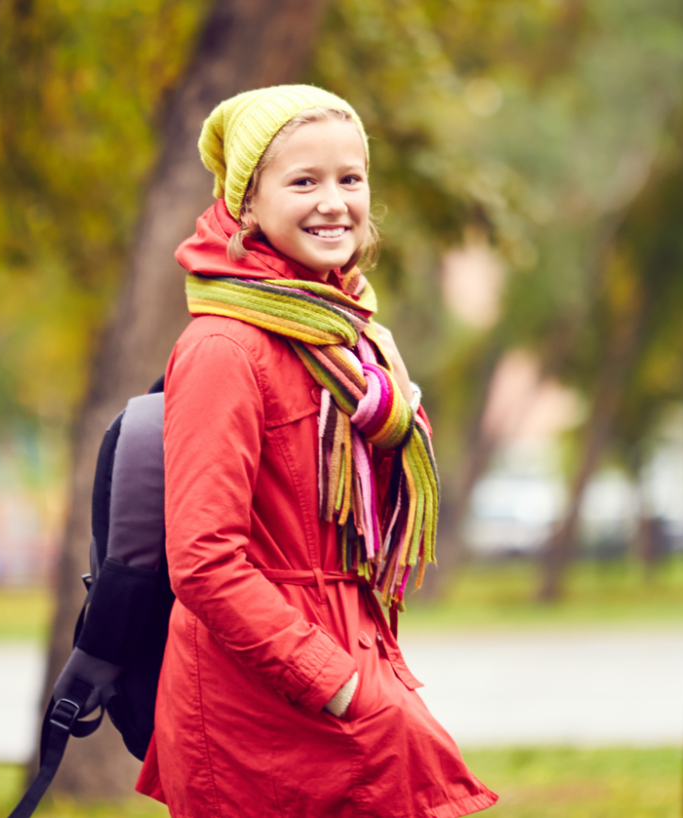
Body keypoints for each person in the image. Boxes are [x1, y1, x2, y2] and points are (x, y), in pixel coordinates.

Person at [134, 85, 497, 817]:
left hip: (340, 674)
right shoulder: (223, 348)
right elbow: (204, 560)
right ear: (248, 202)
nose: (333, 201)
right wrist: (334, 682)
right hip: (261, 710)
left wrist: (353, 679)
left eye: (349, 179)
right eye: (303, 181)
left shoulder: (345, 335)